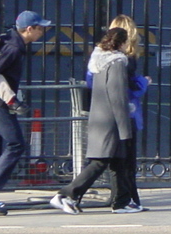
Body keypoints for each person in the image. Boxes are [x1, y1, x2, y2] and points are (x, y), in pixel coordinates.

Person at [0, 10, 51, 215]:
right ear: (29, 29)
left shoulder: (11, 43)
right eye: (40, 28)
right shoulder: (13, 48)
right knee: (16, 144)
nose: (43, 32)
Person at [50, 27, 135, 215]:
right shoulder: (118, 62)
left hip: (99, 116)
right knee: (100, 162)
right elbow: (118, 96)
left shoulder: (98, 60)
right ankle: (67, 195)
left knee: (117, 161)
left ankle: (122, 201)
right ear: (121, 42)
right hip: (111, 120)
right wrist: (124, 129)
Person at [107, 14, 149, 212]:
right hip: (127, 113)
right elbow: (131, 88)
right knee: (126, 160)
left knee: (118, 159)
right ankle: (127, 199)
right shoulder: (126, 60)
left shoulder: (107, 58)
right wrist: (144, 82)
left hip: (113, 112)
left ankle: (125, 197)